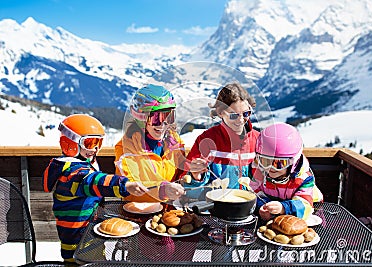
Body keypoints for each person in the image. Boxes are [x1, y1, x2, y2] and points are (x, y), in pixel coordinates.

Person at [43, 114, 184, 262]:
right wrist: (125, 185)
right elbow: (94, 181)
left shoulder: (80, 164)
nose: (95, 148)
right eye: (89, 143)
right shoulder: (72, 172)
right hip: (77, 241)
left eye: (98, 142)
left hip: (88, 233)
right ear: (70, 143)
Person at [182, 82, 260, 197]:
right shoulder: (206, 140)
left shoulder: (258, 140)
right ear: (220, 113)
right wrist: (195, 177)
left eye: (246, 113)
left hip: (249, 206)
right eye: (234, 115)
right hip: (217, 206)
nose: (241, 120)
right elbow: (188, 188)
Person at [114, 84, 186, 202]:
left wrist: (196, 175)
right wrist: (162, 190)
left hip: (170, 211)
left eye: (168, 117)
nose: (163, 124)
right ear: (141, 118)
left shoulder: (174, 142)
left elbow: (183, 173)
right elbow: (129, 186)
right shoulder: (127, 148)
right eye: (156, 118)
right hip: (138, 212)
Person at [252, 122, 323, 221]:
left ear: (293, 162)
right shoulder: (259, 173)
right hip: (274, 217)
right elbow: (254, 193)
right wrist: (263, 207)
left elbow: (305, 204)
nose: (271, 168)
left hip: (308, 213)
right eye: (265, 161)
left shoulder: (303, 180)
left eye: (279, 163)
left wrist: (283, 208)